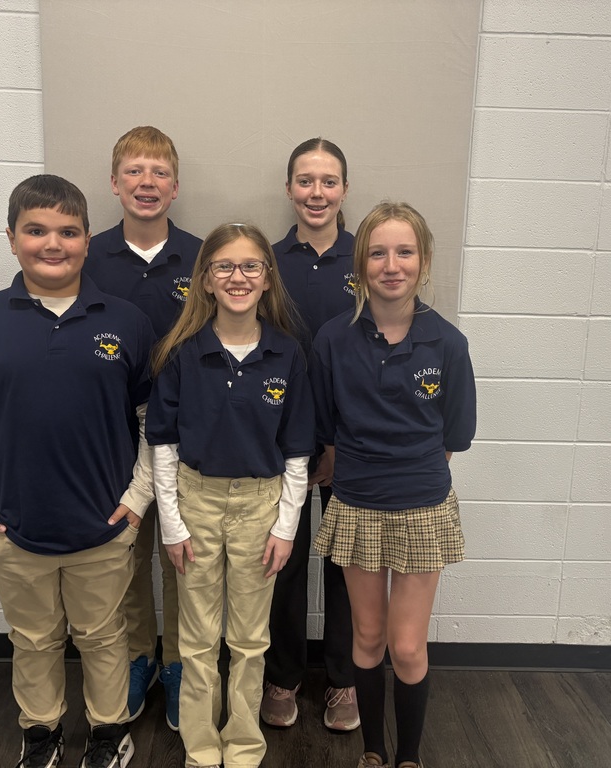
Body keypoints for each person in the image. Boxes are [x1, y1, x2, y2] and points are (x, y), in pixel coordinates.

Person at [0, 174, 156, 768]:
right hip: (14, 529)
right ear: (11, 238)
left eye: (68, 231)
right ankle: (42, 732)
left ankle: (109, 732)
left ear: (86, 241)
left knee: (106, 639)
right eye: (36, 231)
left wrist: (136, 502)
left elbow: (155, 423)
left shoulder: (127, 321)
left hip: (105, 526)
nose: (52, 244)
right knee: (32, 641)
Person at [310, 202, 476, 768]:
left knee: (406, 647)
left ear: (423, 262)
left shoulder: (448, 345)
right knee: (367, 638)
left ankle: (409, 756)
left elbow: (455, 433)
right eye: (378, 252)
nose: (392, 264)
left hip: (421, 508)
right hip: (356, 504)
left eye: (405, 252)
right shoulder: (332, 340)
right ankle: (374, 752)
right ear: (360, 266)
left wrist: (406, 472)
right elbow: (325, 426)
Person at [146, 223, 315, 768]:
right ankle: (201, 745)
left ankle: (242, 745)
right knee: (196, 639)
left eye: (250, 266)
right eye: (224, 266)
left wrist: (286, 526)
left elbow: (296, 451)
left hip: (260, 508)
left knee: (248, 638)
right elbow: (165, 444)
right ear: (205, 280)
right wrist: (171, 524)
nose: (237, 276)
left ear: (267, 279)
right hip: (195, 503)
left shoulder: (286, 355)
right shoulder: (181, 352)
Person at [84, 126, 202, 731]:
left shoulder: (203, 256)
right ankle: (139, 656)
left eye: (158, 173)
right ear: (114, 183)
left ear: (175, 186)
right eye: (134, 171)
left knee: (181, 554)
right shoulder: (89, 256)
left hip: (188, 433)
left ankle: (181, 662)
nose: (146, 183)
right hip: (113, 434)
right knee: (123, 549)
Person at [262, 138, 358, 731]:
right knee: (285, 560)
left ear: (345, 188)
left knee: (346, 563)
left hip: (353, 443)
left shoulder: (369, 259)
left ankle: (344, 682)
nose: (316, 193)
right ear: (289, 188)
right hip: (283, 442)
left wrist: (339, 442)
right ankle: (284, 675)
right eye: (305, 180)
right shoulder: (267, 264)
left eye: (328, 181)